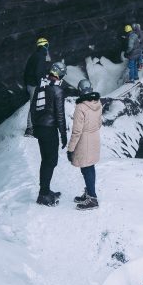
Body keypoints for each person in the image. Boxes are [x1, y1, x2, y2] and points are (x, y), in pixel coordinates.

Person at [31, 61, 67, 206]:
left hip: (40, 128)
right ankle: (43, 194)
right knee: (51, 161)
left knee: (46, 160)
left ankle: (45, 190)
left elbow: (33, 109)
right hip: (50, 129)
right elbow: (60, 115)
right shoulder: (57, 91)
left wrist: (35, 127)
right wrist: (63, 135)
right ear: (60, 75)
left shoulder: (41, 87)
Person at [67, 78, 102, 210]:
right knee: (90, 167)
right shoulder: (97, 102)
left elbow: (76, 131)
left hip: (84, 141)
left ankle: (92, 199)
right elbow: (99, 123)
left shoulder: (80, 107)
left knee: (86, 168)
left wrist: (70, 149)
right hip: (94, 138)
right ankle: (89, 193)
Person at [23, 36, 51, 137]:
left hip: (30, 84)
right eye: (47, 45)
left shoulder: (34, 56)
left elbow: (26, 72)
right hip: (35, 85)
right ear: (45, 46)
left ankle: (34, 127)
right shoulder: (40, 57)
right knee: (34, 106)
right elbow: (39, 72)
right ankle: (30, 129)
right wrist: (42, 84)